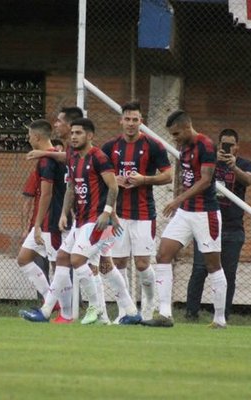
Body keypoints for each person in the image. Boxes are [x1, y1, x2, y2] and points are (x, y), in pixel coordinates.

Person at [20, 118, 141, 325]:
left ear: (90, 136)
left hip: (99, 221)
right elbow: (71, 188)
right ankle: (47, 311)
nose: (74, 136)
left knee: (77, 260)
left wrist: (107, 212)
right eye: (73, 133)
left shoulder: (99, 157)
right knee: (67, 259)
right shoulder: (73, 157)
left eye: (79, 133)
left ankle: (95, 308)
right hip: (82, 221)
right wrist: (65, 213)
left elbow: (113, 187)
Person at [142, 110, 227, 328]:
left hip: (205, 213)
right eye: (172, 135)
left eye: (177, 133)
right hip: (185, 213)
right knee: (163, 255)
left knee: (213, 265)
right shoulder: (184, 147)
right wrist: (181, 200)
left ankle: (219, 319)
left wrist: (177, 199)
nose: (175, 138)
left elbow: (206, 181)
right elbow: (187, 178)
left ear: (188, 127)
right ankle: (165, 314)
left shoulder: (206, 145)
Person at [101, 101, 172, 322]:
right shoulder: (109, 147)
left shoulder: (153, 146)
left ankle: (149, 305)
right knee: (118, 263)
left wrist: (144, 180)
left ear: (142, 121)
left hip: (143, 214)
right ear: (120, 120)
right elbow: (99, 178)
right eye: (127, 119)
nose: (131, 123)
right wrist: (114, 181)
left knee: (142, 263)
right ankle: (125, 311)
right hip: (118, 215)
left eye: (135, 119)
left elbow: (168, 176)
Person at [186, 129, 251, 321]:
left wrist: (233, 167)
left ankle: (222, 315)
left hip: (233, 228)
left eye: (231, 145)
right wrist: (214, 161)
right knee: (200, 269)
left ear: (237, 146)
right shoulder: (210, 162)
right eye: (224, 144)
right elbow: (195, 177)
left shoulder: (244, 164)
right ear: (218, 145)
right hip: (206, 224)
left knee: (228, 274)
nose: (228, 148)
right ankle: (191, 314)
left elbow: (249, 179)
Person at [16, 120, 66, 302]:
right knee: (23, 258)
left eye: (29, 136)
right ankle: (50, 301)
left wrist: (36, 225)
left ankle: (65, 308)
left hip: (49, 221)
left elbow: (46, 194)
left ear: (36, 137)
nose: (28, 139)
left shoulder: (46, 161)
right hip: (46, 220)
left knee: (58, 264)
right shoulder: (55, 155)